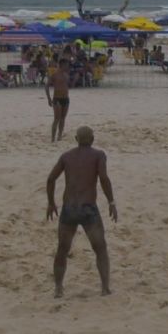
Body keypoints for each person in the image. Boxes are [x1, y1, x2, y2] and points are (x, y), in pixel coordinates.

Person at [46, 126, 117, 298]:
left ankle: (58, 288)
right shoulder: (98, 155)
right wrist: (111, 201)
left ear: (76, 139)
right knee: (100, 248)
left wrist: (51, 203)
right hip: (88, 209)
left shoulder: (66, 156)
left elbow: (50, 179)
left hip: (69, 208)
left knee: (62, 249)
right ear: (92, 139)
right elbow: (104, 178)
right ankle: (105, 288)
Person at [46, 57, 71, 142]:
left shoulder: (66, 75)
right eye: (66, 65)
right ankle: (53, 138)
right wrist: (49, 99)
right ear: (62, 65)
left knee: (63, 118)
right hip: (57, 98)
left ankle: (59, 136)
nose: (68, 66)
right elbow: (47, 86)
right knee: (57, 118)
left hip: (66, 98)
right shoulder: (55, 74)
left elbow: (66, 86)